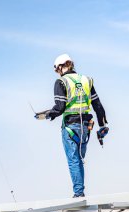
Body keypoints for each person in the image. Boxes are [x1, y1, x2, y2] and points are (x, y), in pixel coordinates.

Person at [36, 54, 108, 198]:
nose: (58, 73)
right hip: (86, 127)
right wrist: (103, 125)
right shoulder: (87, 80)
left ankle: (78, 193)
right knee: (79, 160)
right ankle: (79, 191)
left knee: (73, 160)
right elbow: (98, 105)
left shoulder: (61, 82)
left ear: (61, 67)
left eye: (57, 70)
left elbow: (60, 107)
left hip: (70, 126)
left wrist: (46, 115)